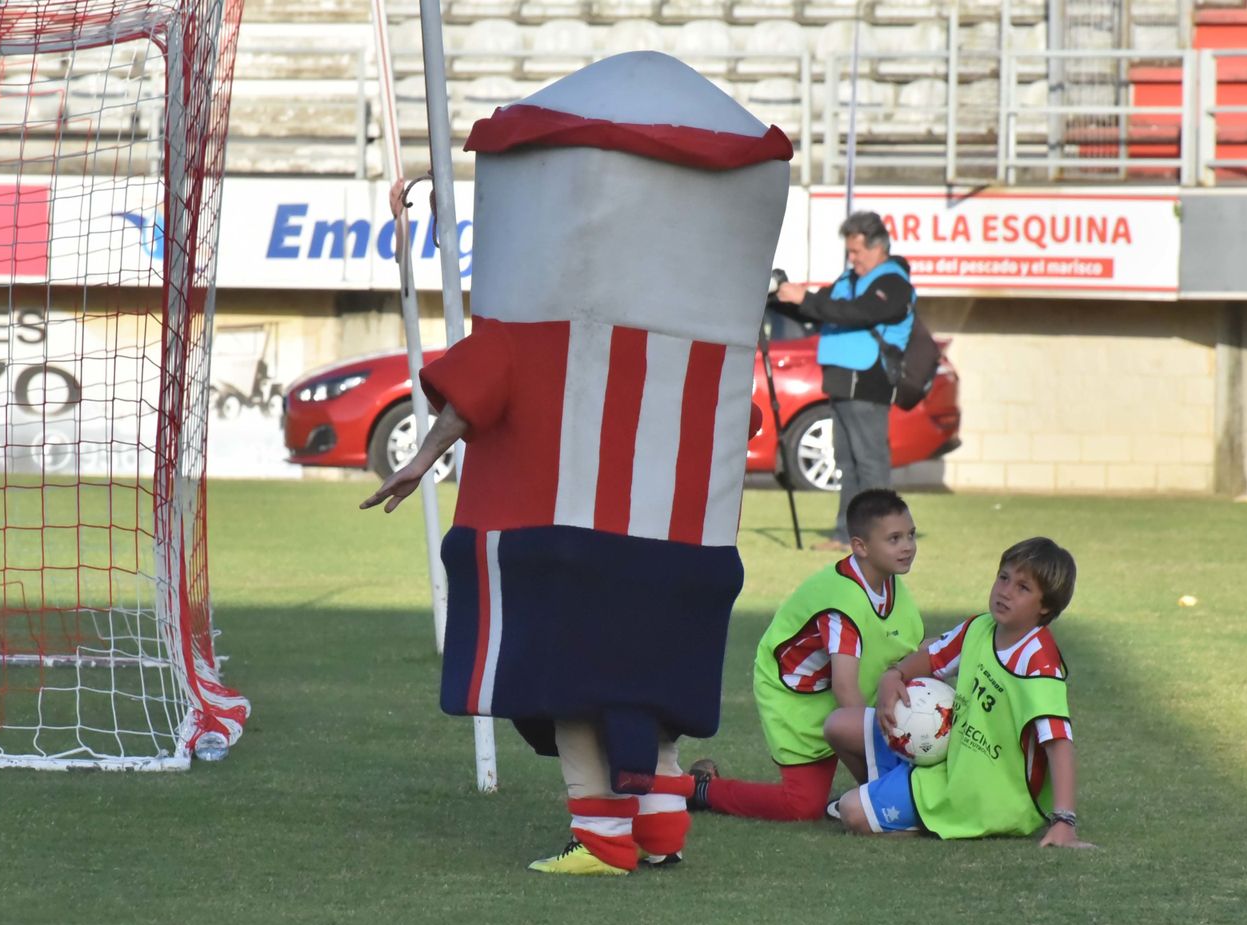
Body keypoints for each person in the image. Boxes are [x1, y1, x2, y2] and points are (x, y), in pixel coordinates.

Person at [360, 53, 792, 875]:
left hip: (554, 538)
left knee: (569, 698)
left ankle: (600, 839)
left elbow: (471, 398)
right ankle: (661, 834)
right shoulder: (715, 355)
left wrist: (418, 461)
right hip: (686, 546)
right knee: (654, 692)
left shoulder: (525, 329)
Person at [654, 489, 922, 822]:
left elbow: (911, 651)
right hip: (798, 699)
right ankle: (698, 788)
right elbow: (845, 690)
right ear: (860, 546)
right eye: (894, 539)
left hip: (844, 690)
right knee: (802, 806)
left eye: (910, 535)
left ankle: (881, 790)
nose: (908, 546)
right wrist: (885, 753)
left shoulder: (889, 581)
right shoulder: (842, 605)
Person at [822, 537, 1094, 848]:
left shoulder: (1038, 662)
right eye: (1003, 578)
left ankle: (904, 814)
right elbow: (932, 658)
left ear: (1045, 606)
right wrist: (893, 676)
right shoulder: (980, 627)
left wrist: (1064, 821)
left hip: (986, 796)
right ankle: (887, 799)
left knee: (851, 811)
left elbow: (1058, 743)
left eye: (1023, 588)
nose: (1005, 591)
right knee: (839, 724)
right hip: (949, 758)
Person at [773, 211, 915, 550]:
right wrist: (786, 297)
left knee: (871, 464)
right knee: (846, 464)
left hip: (869, 381)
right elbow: (822, 310)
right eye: (849, 252)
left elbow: (860, 312)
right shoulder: (849, 280)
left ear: (879, 248)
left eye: (857, 252)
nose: (852, 259)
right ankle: (846, 535)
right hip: (839, 381)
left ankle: (886, 537)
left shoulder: (893, 283)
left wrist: (806, 299)